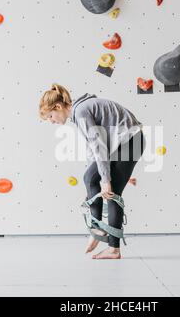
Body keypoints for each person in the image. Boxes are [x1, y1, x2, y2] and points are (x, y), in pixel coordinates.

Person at [39, 83, 145, 259]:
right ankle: (97, 230)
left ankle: (112, 247)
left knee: (112, 192)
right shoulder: (80, 111)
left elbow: (99, 148)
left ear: (58, 107)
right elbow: (92, 151)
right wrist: (94, 189)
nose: (51, 121)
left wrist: (106, 181)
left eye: (50, 116)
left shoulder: (81, 112)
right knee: (89, 177)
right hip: (126, 144)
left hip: (130, 142)